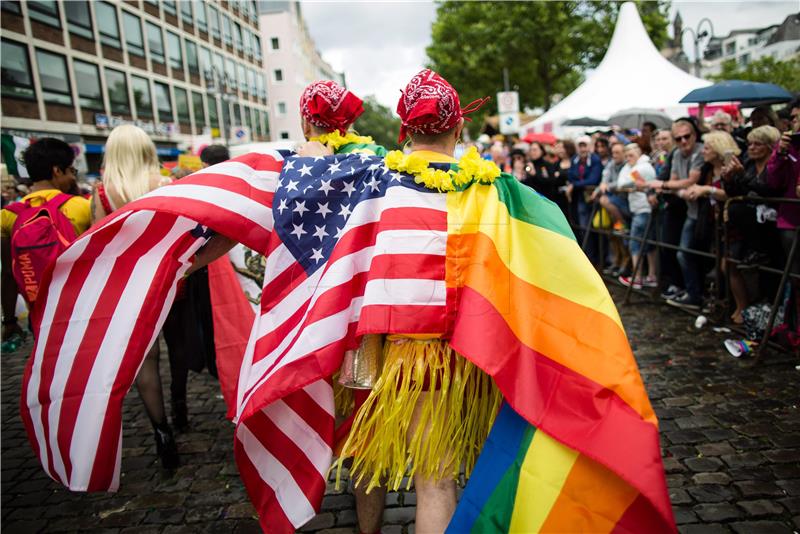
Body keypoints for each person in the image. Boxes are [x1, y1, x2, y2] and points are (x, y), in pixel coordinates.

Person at [334, 69, 498, 533]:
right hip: (472, 355)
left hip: (402, 353)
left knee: (426, 479)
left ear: (405, 128)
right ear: (459, 128)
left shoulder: (377, 187)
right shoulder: (487, 189)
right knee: (447, 481)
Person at [91, 124, 180, 468]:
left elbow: (99, 247)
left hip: (131, 286)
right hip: (172, 279)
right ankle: (182, 403)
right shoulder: (166, 185)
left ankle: (162, 431)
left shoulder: (102, 193)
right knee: (181, 344)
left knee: (148, 359)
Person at [1, 138, 90, 342]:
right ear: (57, 171)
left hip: (39, 310)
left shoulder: (7, 216)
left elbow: (8, 273)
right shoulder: (82, 207)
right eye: (71, 171)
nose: (72, 178)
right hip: (79, 305)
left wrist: (9, 321)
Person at [668, 131, 740, 310]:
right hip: (709, 221)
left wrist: (707, 190)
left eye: (707, 148)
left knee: (727, 266)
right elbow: (691, 186)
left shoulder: (733, 167)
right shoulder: (707, 169)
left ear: (717, 149)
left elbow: (734, 194)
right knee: (707, 260)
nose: (703, 151)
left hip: (731, 223)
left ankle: (734, 306)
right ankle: (706, 298)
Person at [720, 125, 782, 323]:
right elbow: (735, 192)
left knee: (771, 276)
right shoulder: (747, 163)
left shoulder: (775, 165)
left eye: (757, 144)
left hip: (771, 225)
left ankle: (769, 317)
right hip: (746, 228)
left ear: (770, 146)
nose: (752, 148)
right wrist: (729, 178)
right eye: (750, 144)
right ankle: (749, 311)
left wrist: (742, 177)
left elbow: (769, 190)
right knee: (731, 265)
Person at [651, 118, 704, 300]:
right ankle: (688, 291)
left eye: (686, 137)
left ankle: (694, 294)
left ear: (694, 135)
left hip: (701, 211)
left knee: (688, 254)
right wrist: (675, 188)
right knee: (678, 252)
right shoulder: (677, 154)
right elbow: (675, 181)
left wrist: (663, 184)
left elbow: (691, 180)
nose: (683, 141)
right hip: (690, 210)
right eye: (678, 138)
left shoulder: (700, 151)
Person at [616, 143, 658, 288]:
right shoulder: (635, 167)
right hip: (643, 209)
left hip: (642, 209)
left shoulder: (642, 168)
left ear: (639, 153)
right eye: (626, 156)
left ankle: (638, 277)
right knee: (649, 244)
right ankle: (651, 276)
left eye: (631, 155)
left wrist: (629, 185)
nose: (628, 158)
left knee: (636, 244)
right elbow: (621, 184)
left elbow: (623, 184)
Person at [593, 142, 629, 276]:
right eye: (613, 153)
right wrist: (598, 189)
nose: (615, 155)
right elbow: (604, 180)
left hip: (624, 205)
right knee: (612, 237)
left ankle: (625, 262)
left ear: (624, 153)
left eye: (618, 152)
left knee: (623, 237)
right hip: (611, 206)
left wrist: (607, 187)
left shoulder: (627, 165)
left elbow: (621, 183)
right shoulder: (610, 164)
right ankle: (617, 261)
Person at [567, 135, 603, 262]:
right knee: (581, 226)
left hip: (591, 197)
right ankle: (586, 255)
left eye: (585, 146)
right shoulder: (575, 159)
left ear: (589, 147)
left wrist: (575, 184)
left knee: (589, 227)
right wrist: (578, 183)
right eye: (580, 146)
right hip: (579, 197)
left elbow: (593, 179)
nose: (583, 149)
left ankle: (592, 257)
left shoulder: (595, 160)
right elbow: (570, 175)